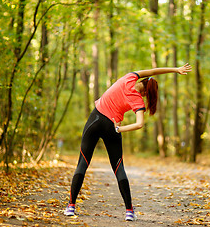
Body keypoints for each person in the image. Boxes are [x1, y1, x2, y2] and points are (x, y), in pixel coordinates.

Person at [64, 63, 192, 221]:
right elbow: (139, 124)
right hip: (112, 126)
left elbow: (153, 71)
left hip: (95, 119)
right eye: (147, 95)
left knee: (82, 163)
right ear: (145, 91)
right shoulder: (138, 101)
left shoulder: (130, 77)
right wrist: (119, 129)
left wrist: (175, 69)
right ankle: (129, 211)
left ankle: (71, 206)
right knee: (119, 168)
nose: (144, 97)